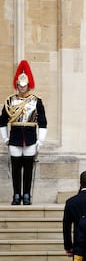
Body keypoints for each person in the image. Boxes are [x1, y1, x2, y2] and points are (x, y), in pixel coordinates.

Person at [0, 60, 48, 205]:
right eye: (20, 85)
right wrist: (5, 138)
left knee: (28, 169)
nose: (22, 88)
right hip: (14, 138)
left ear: (28, 85)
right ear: (17, 85)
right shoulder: (10, 101)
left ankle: (26, 194)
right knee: (15, 169)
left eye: (24, 85)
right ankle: (16, 194)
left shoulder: (36, 101)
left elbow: (43, 122)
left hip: (30, 138)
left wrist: (40, 140)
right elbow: (2, 121)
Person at [63, 170, 86, 257]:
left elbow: (66, 226)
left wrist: (68, 246)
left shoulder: (71, 202)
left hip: (79, 243)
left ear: (80, 183)